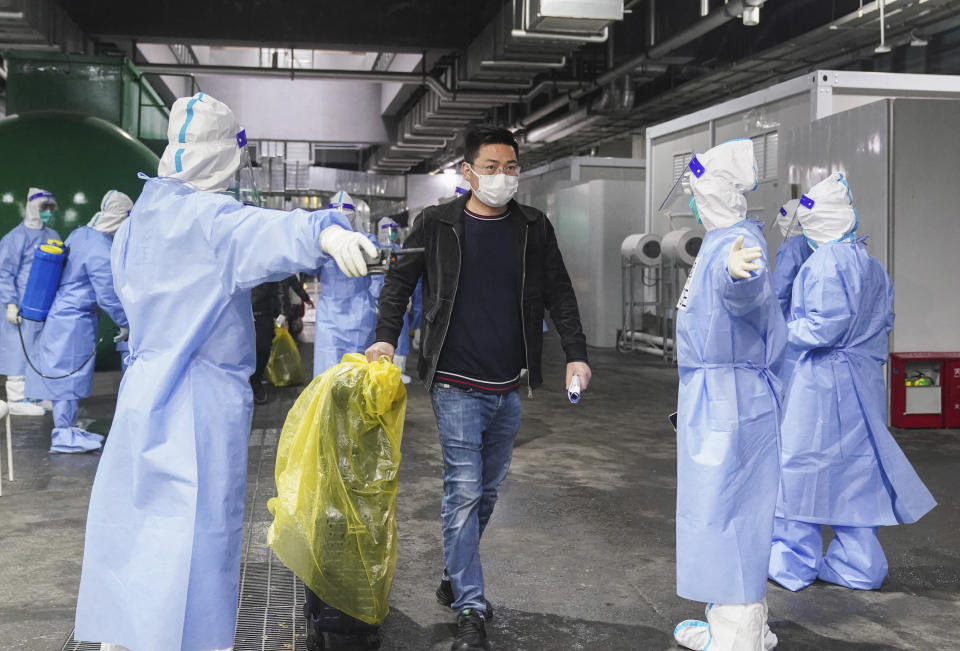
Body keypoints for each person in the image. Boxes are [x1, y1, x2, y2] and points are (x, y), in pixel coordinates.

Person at [73, 92, 377, 651]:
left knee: (140, 521)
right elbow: (262, 232)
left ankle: (127, 635)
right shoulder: (208, 217)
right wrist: (324, 232)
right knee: (199, 532)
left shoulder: (142, 218)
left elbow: (125, 299)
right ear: (224, 155)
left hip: (142, 389)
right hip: (200, 398)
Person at [365, 125, 591, 651]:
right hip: (454, 381)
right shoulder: (436, 222)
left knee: (486, 492)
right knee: (464, 491)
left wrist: (576, 353)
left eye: (511, 168)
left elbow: (559, 290)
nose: (502, 178)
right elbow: (399, 282)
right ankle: (470, 606)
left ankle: (455, 569)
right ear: (466, 172)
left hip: (508, 383)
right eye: (490, 168)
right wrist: (384, 340)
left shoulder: (533, 226)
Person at [768, 173, 936, 592]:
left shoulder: (825, 262)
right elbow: (883, 322)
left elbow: (822, 327)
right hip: (863, 380)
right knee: (856, 474)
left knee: (799, 469)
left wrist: (775, 330)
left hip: (823, 383)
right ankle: (858, 566)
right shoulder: (871, 263)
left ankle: (792, 561)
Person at [670, 140, 785, 651]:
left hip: (730, 396)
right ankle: (740, 623)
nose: (692, 203)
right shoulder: (721, 239)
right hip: (717, 392)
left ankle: (737, 636)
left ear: (711, 192)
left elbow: (745, 288)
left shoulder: (736, 243)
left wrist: (743, 279)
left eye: (696, 192)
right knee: (719, 508)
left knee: (729, 508)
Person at [25, 190, 132, 453]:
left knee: (65, 371)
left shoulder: (81, 233)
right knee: (68, 373)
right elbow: (107, 294)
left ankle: (68, 424)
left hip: (63, 315)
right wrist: (126, 321)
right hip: (74, 321)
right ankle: (63, 433)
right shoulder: (100, 248)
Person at [0, 188, 61, 416]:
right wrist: (10, 303)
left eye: (50, 208)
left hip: (44, 307)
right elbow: (4, 273)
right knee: (17, 350)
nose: (46, 213)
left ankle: (36, 394)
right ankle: (16, 399)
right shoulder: (15, 239)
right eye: (42, 208)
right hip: (19, 307)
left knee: (39, 351)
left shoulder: (52, 236)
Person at [312, 189, 378, 376]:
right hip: (332, 314)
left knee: (355, 368)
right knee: (329, 369)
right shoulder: (323, 244)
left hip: (356, 311)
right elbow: (308, 268)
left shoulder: (366, 241)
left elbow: (379, 275)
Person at [771, 198, 811, 321]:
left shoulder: (791, 248)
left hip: (793, 317)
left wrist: (773, 324)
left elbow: (781, 289)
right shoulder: (813, 242)